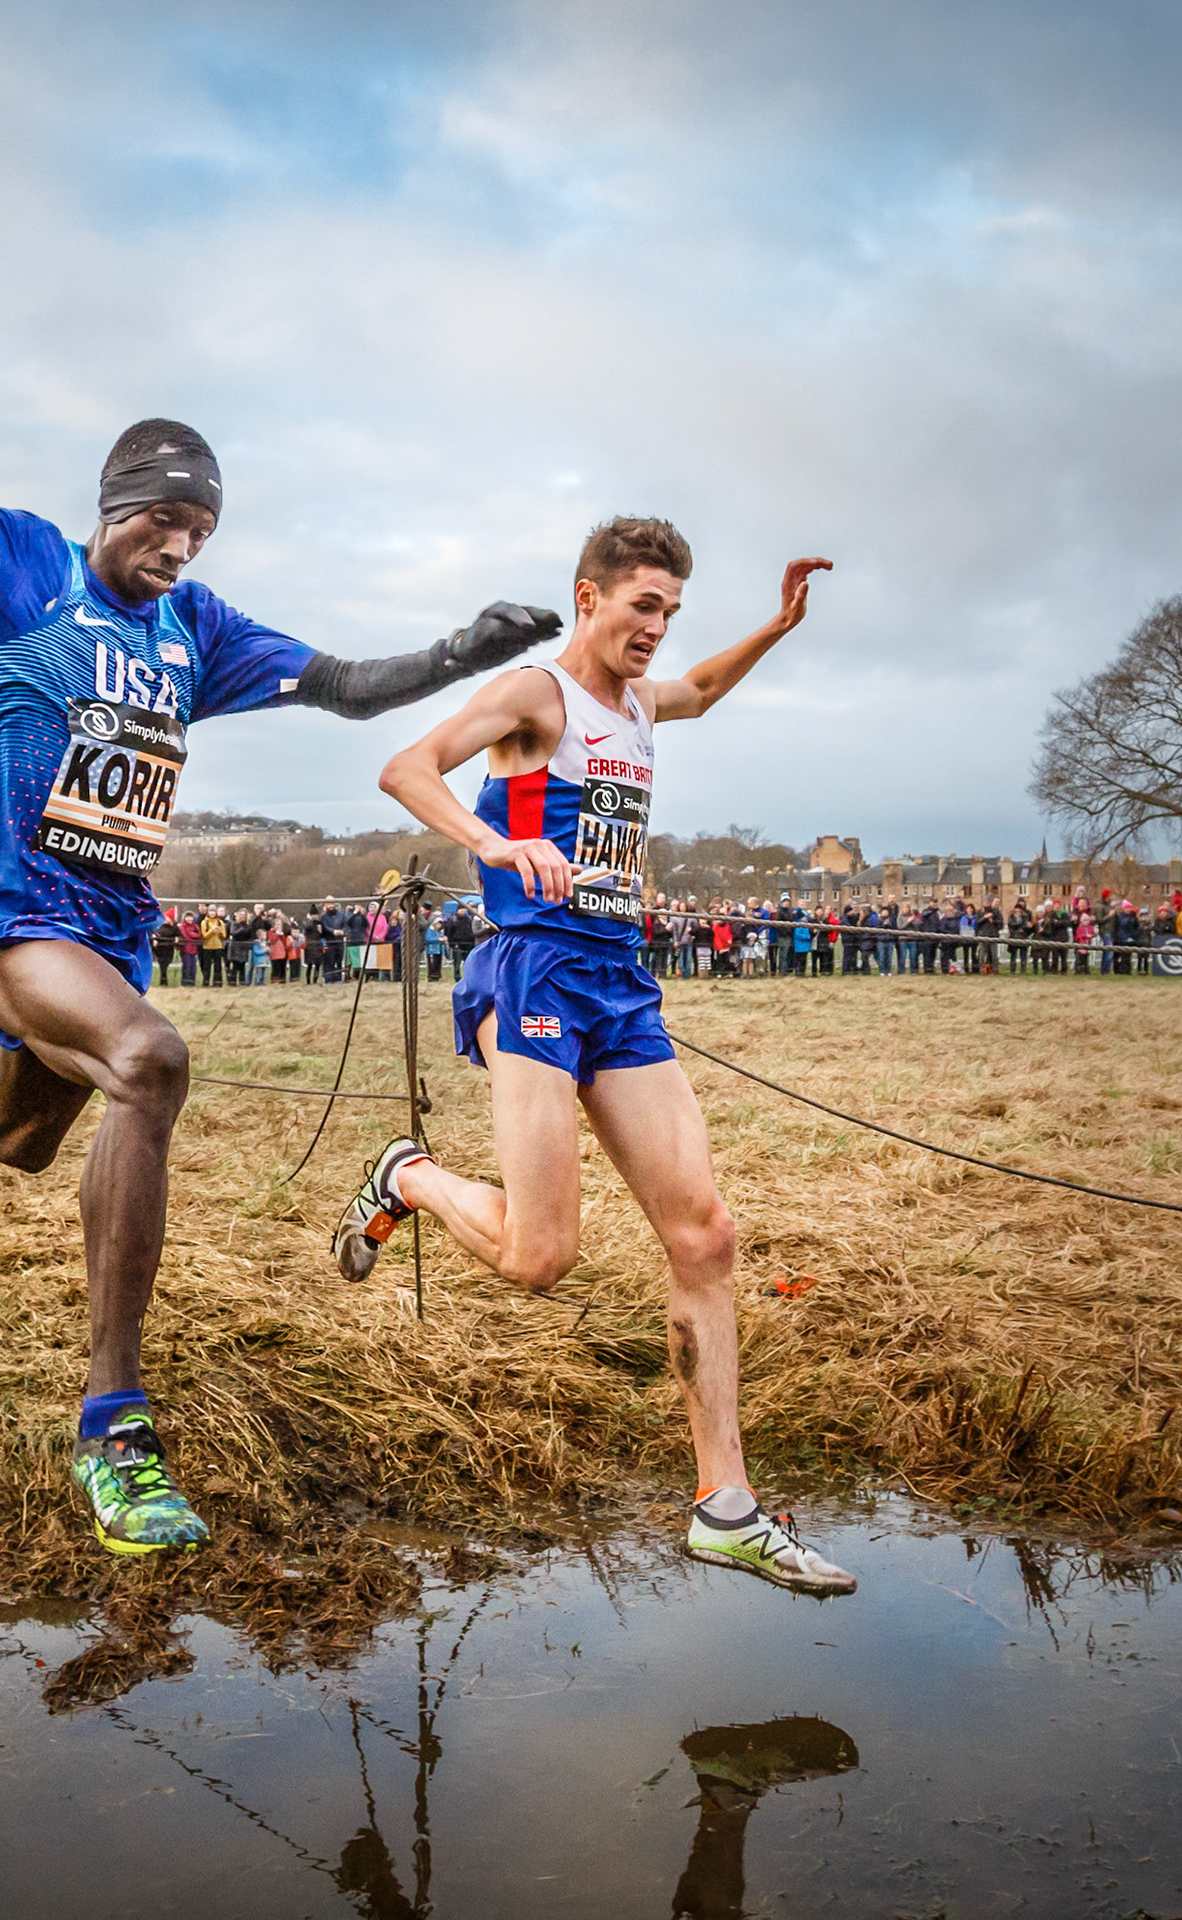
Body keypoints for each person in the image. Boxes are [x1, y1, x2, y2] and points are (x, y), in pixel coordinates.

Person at [0, 136, 561, 1560]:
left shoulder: (194, 630)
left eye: (201, 528)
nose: (182, 546)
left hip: (108, 940)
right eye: (163, 519)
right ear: (111, 507)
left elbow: (344, 685)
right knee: (152, 1060)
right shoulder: (13, 568)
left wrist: (461, 649)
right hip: (15, 922)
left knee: (16, 1140)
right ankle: (114, 1430)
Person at [335, 517, 853, 1594]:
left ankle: (727, 1507)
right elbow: (405, 766)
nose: (656, 629)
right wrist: (495, 843)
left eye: (669, 610)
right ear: (587, 598)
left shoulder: (641, 703)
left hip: (618, 980)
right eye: (641, 606)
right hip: (530, 971)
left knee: (705, 1235)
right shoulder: (539, 698)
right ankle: (410, 1176)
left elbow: (702, 690)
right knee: (541, 1257)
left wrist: (779, 625)